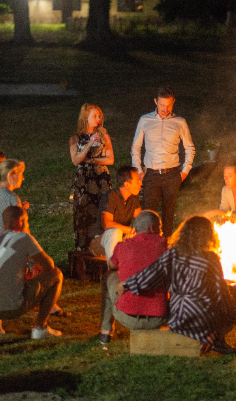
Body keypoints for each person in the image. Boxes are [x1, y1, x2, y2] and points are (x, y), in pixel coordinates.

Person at [117, 216, 236, 354]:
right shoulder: (211, 258)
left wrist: (127, 284)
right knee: (220, 315)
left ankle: (199, 340)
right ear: (208, 235)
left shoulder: (173, 254)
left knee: (186, 318)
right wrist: (229, 313)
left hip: (179, 317)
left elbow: (151, 274)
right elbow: (219, 291)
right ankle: (213, 339)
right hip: (204, 317)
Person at [0, 206, 64, 339]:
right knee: (56, 274)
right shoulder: (23, 238)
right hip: (11, 308)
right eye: (27, 221)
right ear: (20, 221)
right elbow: (49, 265)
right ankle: (40, 328)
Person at [131, 86, 195, 237]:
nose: (164, 109)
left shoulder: (179, 122)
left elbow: (190, 148)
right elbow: (136, 146)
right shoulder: (145, 120)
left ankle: (165, 246)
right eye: (161, 105)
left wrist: (184, 171)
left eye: (168, 105)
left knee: (168, 214)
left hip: (172, 174)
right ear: (155, 101)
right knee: (148, 215)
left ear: (173, 103)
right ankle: (147, 246)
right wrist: (139, 170)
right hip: (151, 174)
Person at [99, 210, 168, 344]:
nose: (161, 231)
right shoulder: (163, 244)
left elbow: (111, 264)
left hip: (127, 317)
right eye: (160, 227)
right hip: (159, 318)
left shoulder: (123, 245)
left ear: (135, 229)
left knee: (108, 275)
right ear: (153, 228)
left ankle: (105, 332)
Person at [69, 104, 114, 251]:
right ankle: (84, 248)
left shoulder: (104, 136)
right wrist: (89, 144)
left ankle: (103, 247)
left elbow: (110, 159)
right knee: (84, 213)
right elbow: (76, 160)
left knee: (102, 211)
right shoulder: (75, 139)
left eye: (99, 116)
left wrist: (92, 161)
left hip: (101, 178)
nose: (98, 119)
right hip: (84, 180)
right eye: (94, 116)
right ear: (85, 118)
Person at [89, 166, 142, 262]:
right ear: (127, 184)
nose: (140, 183)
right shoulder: (110, 196)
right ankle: (114, 271)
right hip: (101, 241)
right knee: (115, 232)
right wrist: (131, 230)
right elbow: (107, 224)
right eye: (137, 181)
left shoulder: (133, 198)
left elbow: (141, 220)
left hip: (122, 238)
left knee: (142, 234)